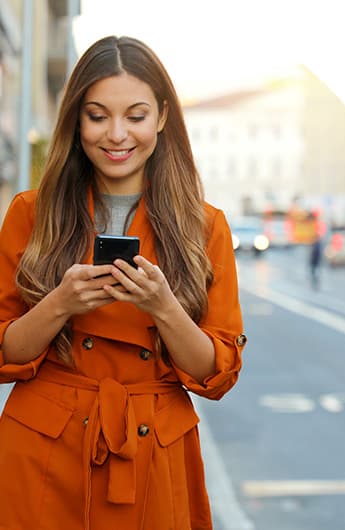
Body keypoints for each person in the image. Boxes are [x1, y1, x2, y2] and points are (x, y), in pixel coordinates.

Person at [0, 36, 246, 530]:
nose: (116, 134)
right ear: (76, 119)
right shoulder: (31, 213)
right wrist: (60, 304)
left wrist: (164, 307)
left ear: (160, 117)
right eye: (97, 116)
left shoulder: (204, 226)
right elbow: (4, 348)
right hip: (45, 448)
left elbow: (216, 374)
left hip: (154, 449)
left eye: (134, 116)